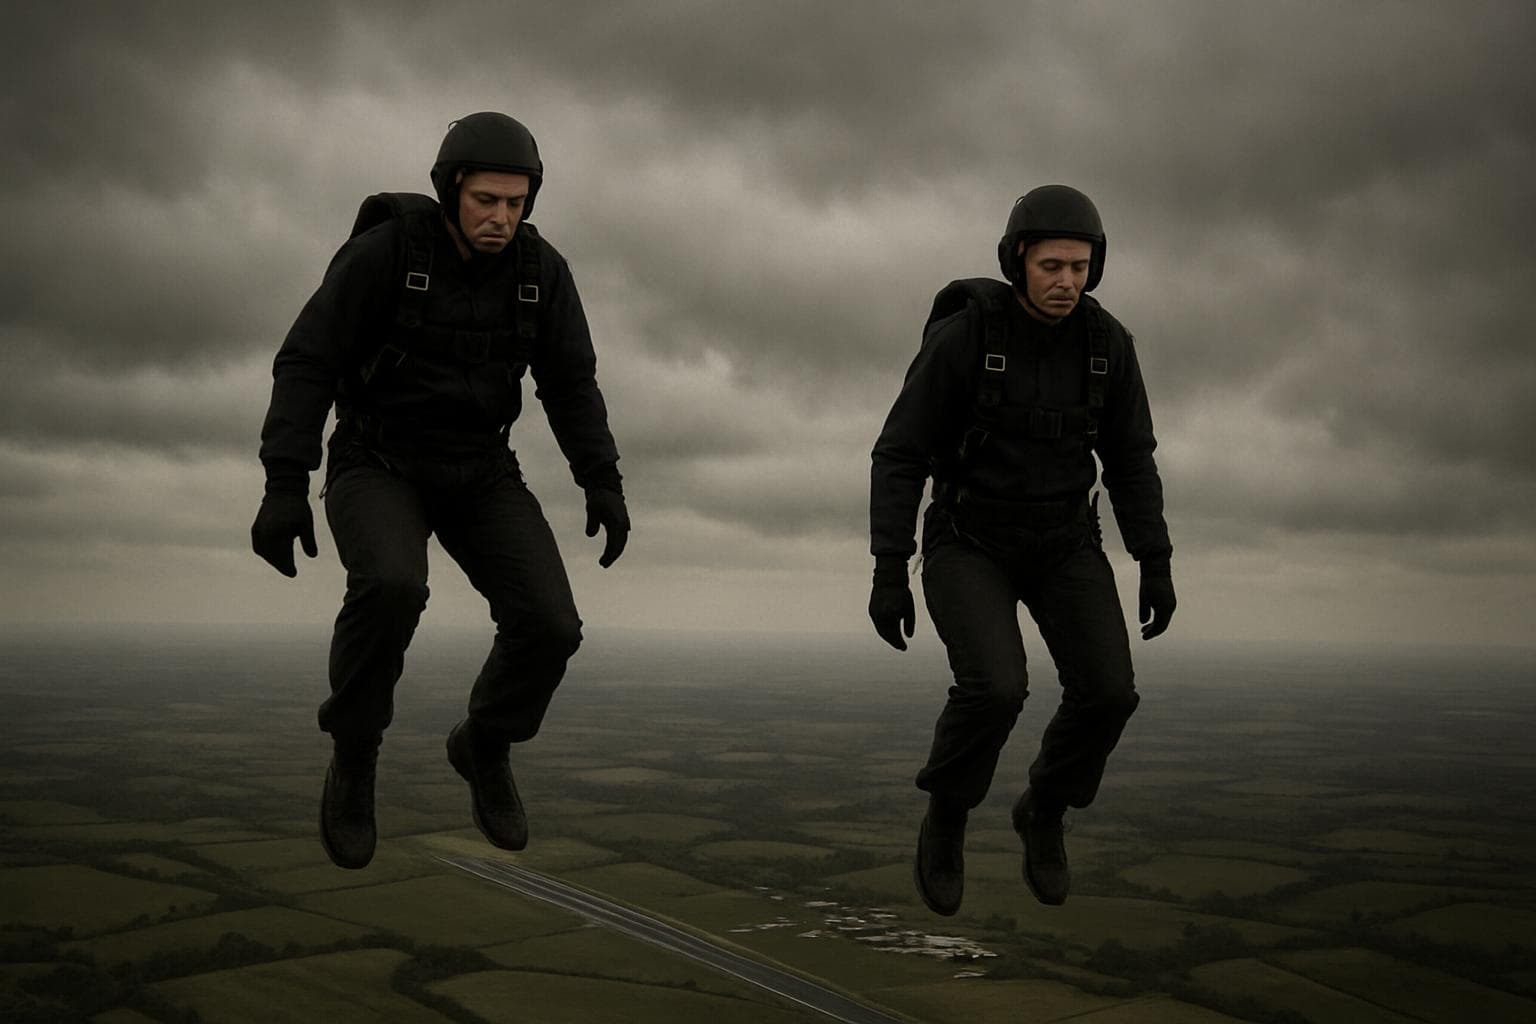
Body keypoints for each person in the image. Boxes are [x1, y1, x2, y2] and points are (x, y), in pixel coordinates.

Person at [251, 112, 630, 869]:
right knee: (392, 584)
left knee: (552, 624)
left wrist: (602, 482)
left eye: (517, 204)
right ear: (452, 189)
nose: (502, 218)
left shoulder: (540, 274)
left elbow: (571, 384)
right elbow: (307, 360)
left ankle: (485, 743)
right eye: (487, 200)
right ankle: (355, 754)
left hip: (480, 467)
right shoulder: (389, 253)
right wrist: (285, 483)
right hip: (376, 457)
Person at [868, 185, 1175, 913]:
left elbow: (1132, 459)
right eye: (1051, 266)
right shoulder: (968, 337)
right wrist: (888, 568)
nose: (1067, 280)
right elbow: (900, 452)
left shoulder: (1109, 347)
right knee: (996, 688)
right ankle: (947, 815)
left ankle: (1044, 808)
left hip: (1064, 538)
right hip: (968, 536)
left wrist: (1155, 559)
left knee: (1109, 693)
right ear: (1018, 263)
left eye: (1080, 266)